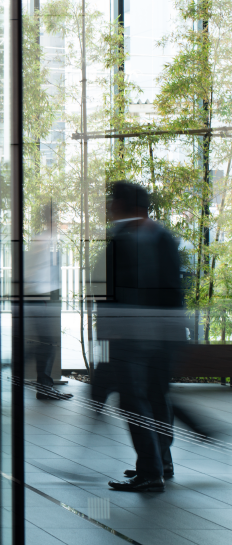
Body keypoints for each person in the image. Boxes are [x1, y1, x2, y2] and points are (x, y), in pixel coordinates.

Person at [93, 181, 184, 493]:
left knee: (135, 401)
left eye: (111, 200)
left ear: (125, 205)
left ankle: (150, 471)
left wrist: (107, 335)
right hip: (160, 337)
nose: (107, 206)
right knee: (156, 399)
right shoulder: (162, 237)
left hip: (133, 337)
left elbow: (110, 291)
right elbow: (174, 291)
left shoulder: (127, 238)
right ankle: (160, 462)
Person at [24, 203, 71, 400]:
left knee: (47, 343)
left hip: (42, 297)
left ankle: (43, 386)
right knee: (48, 343)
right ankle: (42, 385)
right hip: (39, 297)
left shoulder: (47, 239)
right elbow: (32, 271)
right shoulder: (42, 239)